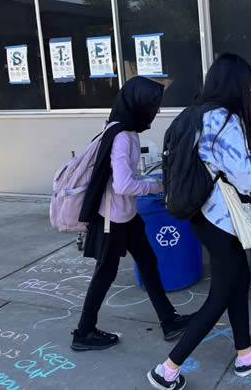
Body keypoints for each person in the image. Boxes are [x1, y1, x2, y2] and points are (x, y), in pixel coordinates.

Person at [148, 54, 251, 390]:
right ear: (236, 86)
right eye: (248, 85)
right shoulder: (225, 121)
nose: (249, 91)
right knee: (220, 295)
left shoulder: (195, 115)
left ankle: (246, 356)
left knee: (239, 281)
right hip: (223, 220)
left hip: (199, 214)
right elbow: (247, 180)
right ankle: (167, 370)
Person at [73, 77, 191, 351]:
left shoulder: (119, 128)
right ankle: (84, 333)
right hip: (112, 219)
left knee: (148, 263)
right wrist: (157, 186)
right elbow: (124, 184)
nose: (156, 112)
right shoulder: (123, 137)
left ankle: (169, 319)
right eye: (153, 106)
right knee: (105, 273)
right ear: (138, 105)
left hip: (125, 216)